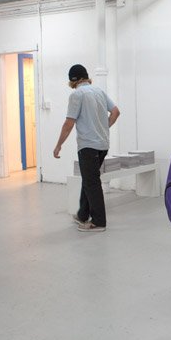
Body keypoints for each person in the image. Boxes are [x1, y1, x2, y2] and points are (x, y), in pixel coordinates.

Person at [53, 64, 120, 232]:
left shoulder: (77, 95)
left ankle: (98, 222)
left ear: (73, 80)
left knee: (92, 182)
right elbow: (116, 112)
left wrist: (58, 145)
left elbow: (69, 123)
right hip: (103, 145)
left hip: (88, 146)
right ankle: (82, 214)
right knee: (89, 179)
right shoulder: (99, 91)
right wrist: (104, 128)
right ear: (86, 76)